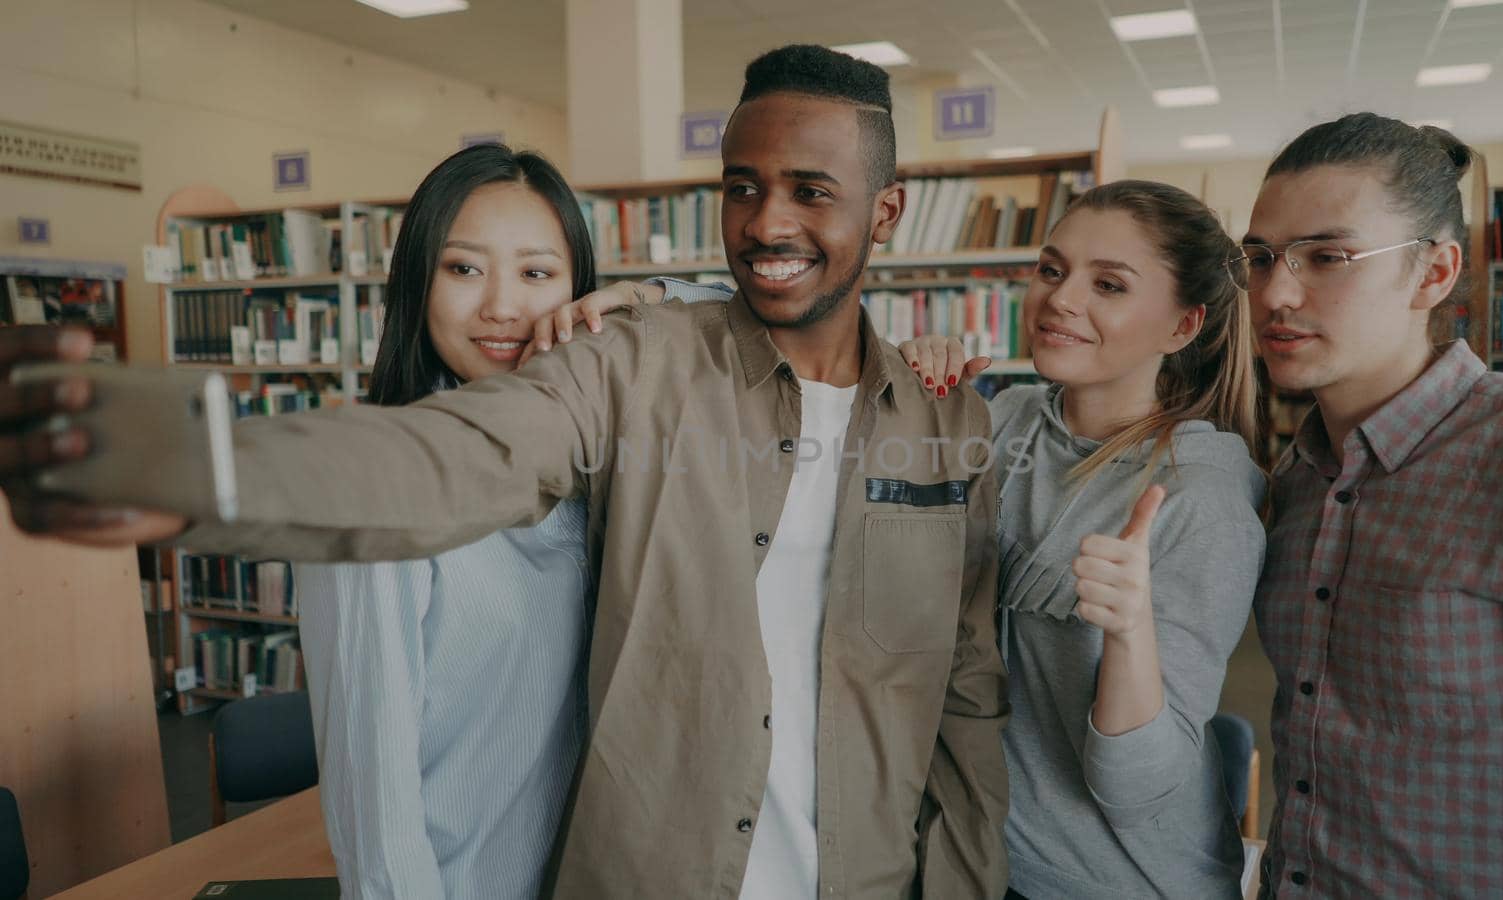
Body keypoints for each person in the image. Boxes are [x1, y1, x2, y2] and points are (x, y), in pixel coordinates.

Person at [0, 45, 1009, 899]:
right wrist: (197, 468)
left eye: (810, 191)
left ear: (886, 216)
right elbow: (447, 457)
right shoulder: (638, 363)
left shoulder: (947, 423)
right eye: (740, 187)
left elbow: (964, 704)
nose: (765, 222)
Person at [292, 143, 722, 899]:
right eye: (463, 268)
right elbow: (375, 811)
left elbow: (761, 318)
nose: (501, 307)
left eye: (536, 272)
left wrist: (649, 296)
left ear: (579, 289)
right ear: (417, 284)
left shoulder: (602, 471)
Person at [1243, 113, 1503, 897]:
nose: (1276, 292)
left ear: (1434, 274)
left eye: (1327, 256)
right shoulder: (1296, 477)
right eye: (1261, 257)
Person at [901, 180, 1266, 898]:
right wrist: (908, 392)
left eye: (1109, 285)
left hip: (1107, 884)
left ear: (1182, 327)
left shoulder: (1202, 501)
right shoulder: (1006, 420)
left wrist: (1130, 630)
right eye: (1051, 270)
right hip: (976, 857)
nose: (1062, 299)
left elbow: (1140, 790)